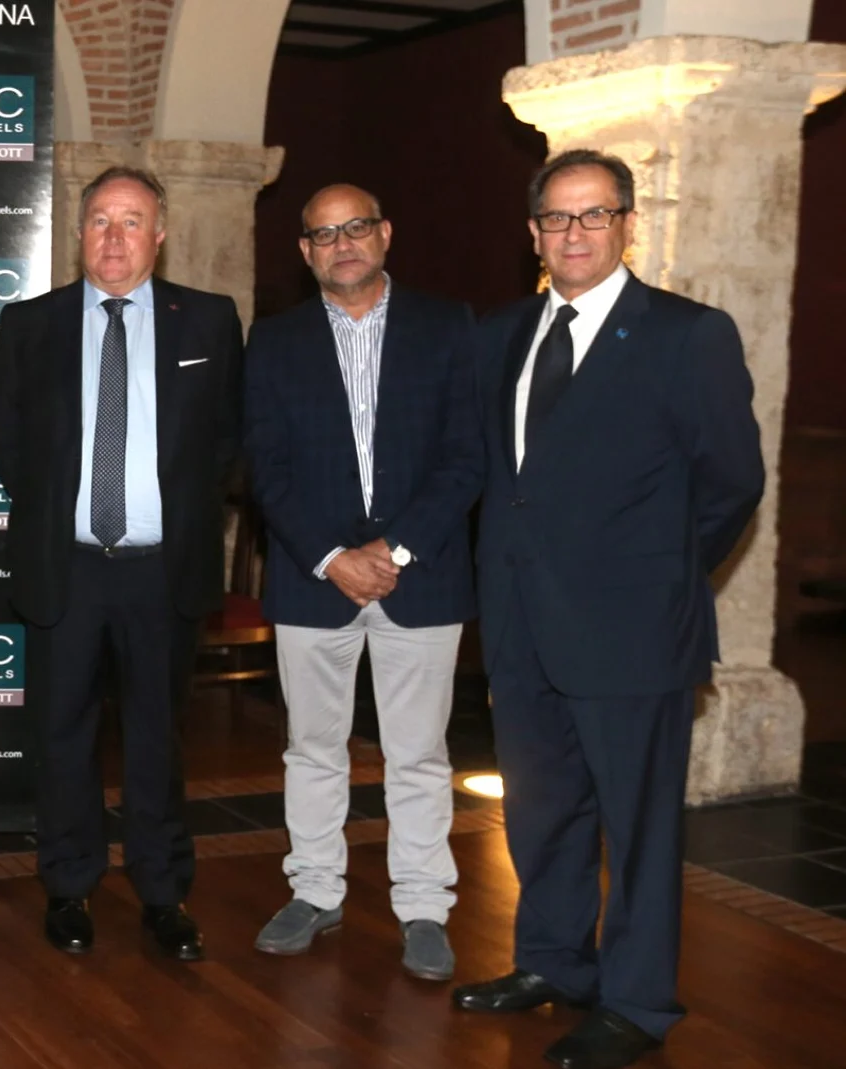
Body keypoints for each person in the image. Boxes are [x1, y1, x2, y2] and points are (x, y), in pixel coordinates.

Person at [451, 150, 763, 1069]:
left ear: (628, 224)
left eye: (593, 216)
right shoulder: (499, 334)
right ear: (533, 232)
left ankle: (635, 1002)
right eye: (556, 218)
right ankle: (554, 963)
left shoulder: (686, 334)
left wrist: (658, 577)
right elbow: (501, 480)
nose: (573, 233)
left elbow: (732, 484)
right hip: (519, 626)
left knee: (638, 827)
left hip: (633, 630)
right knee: (541, 813)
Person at [0, 166, 242, 961]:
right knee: (62, 736)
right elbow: (9, 443)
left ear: (159, 235)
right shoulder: (32, 323)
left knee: (157, 738)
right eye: (100, 220)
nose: (114, 237)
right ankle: (69, 885)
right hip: (67, 567)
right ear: (79, 231)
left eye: (132, 222)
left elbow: (230, 441)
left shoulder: (208, 320)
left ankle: (163, 892)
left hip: (162, 571)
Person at [243, 184, 482, 979]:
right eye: (323, 234)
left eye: (354, 228)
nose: (341, 243)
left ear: (384, 233)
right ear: (305, 252)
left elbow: (466, 456)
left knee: (418, 753)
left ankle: (423, 906)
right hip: (314, 580)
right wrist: (331, 557)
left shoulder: (449, 328)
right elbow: (264, 468)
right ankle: (314, 890)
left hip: (425, 574)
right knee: (313, 748)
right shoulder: (272, 343)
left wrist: (397, 550)